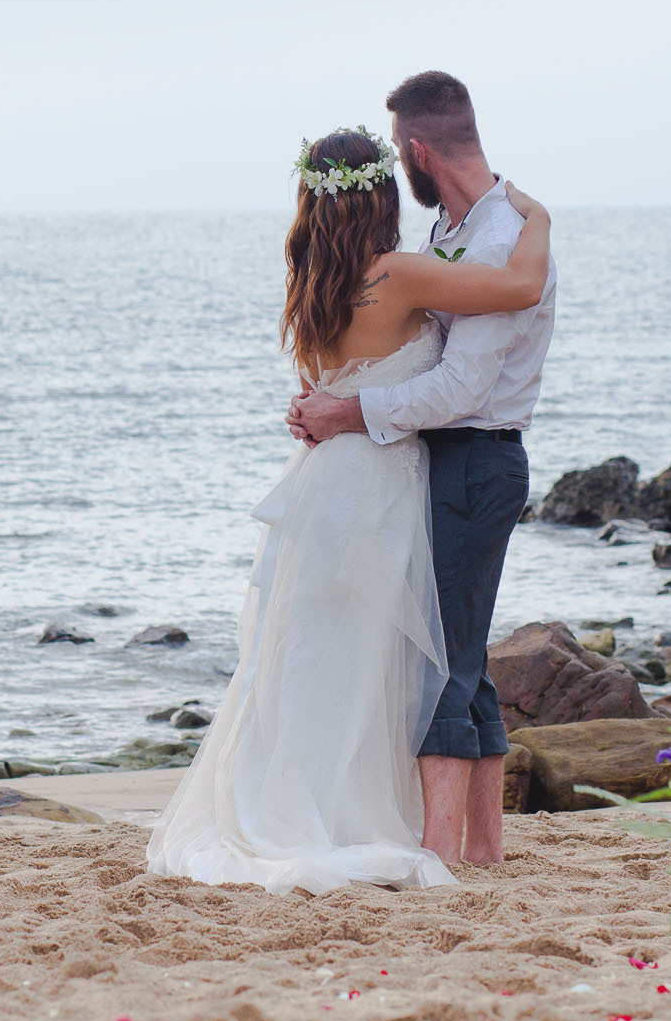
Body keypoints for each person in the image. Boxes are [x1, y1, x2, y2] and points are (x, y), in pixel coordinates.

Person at [146, 123, 549, 894]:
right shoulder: (399, 274)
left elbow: (327, 388)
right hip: (378, 484)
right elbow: (520, 287)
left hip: (323, 481)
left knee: (317, 657)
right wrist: (541, 221)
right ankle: (354, 820)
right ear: (381, 197)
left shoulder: (310, 282)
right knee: (376, 659)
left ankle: (305, 802)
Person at [288, 71, 557, 869]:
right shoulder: (447, 233)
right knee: (460, 658)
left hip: (474, 456)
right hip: (432, 460)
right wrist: (346, 405)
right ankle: (483, 852)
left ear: (416, 149)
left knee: (441, 661)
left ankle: (442, 853)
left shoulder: (505, 234)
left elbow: (462, 386)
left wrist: (347, 411)